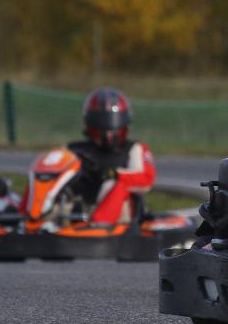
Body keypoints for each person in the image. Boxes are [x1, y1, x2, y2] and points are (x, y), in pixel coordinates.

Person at [20, 87, 156, 224]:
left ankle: (100, 225)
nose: (108, 135)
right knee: (43, 177)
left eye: (113, 128)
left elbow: (146, 179)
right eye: (103, 127)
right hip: (77, 207)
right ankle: (27, 219)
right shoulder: (73, 149)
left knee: (114, 184)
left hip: (118, 215)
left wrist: (113, 174)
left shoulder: (135, 149)